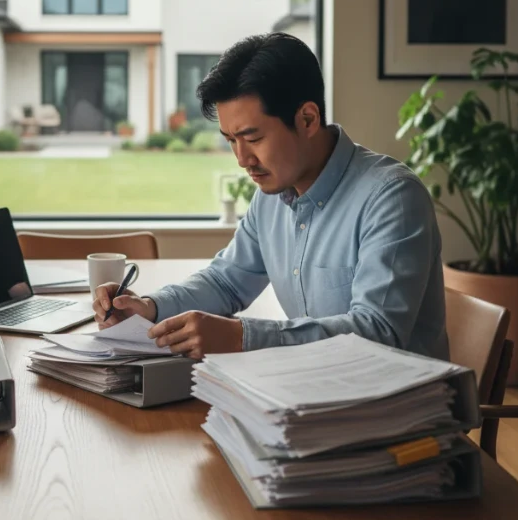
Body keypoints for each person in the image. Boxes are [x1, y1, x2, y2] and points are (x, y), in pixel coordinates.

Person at [93, 32, 449, 360]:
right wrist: (149, 307)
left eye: (253, 138)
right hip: (314, 396)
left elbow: (379, 333)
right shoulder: (273, 194)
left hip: (397, 411)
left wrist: (242, 337)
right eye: (231, 140)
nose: (242, 160)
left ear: (308, 119)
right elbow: (226, 281)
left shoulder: (391, 198)